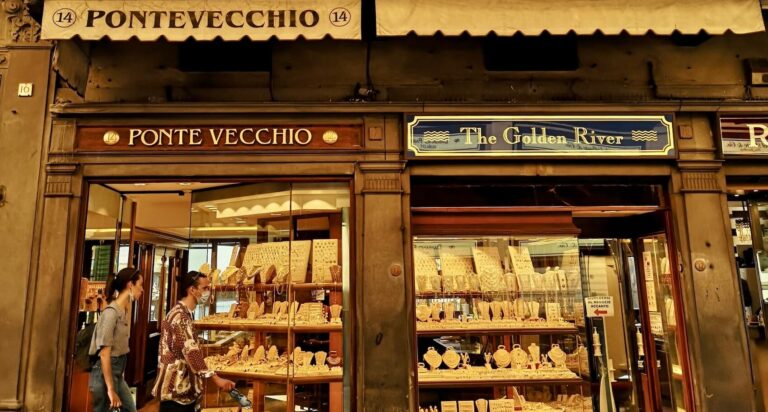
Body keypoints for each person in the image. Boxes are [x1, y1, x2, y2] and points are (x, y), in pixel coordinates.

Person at [153, 271, 235, 411]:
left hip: (182, 391)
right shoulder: (180, 317)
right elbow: (191, 353)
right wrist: (216, 379)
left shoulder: (181, 313)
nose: (208, 292)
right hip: (177, 392)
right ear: (192, 290)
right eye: (204, 288)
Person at [89, 267, 144, 412]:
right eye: (140, 285)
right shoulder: (111, 313)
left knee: (130, 408)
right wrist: (110, 389)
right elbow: (104, 353)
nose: (142, 290)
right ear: (130, 285)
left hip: (117, 373)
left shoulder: (123, 310)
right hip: (104, 374)